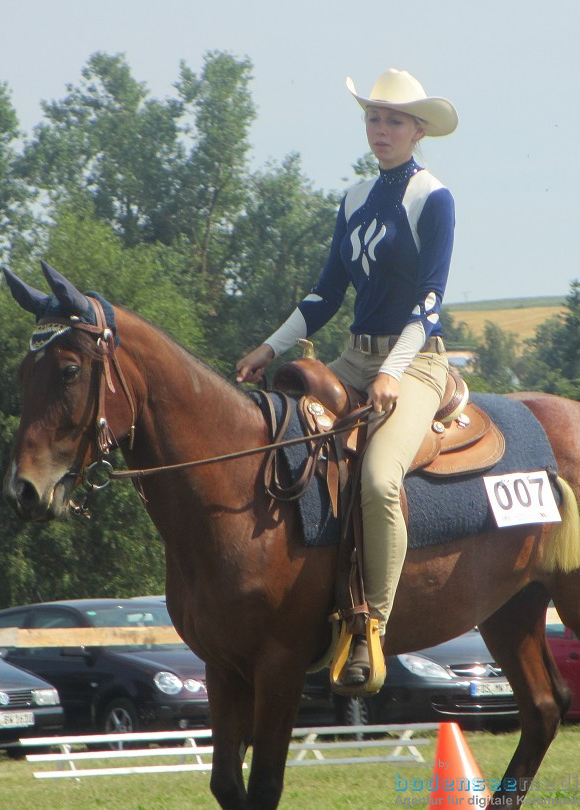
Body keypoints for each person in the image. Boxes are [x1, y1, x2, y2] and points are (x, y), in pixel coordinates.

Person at [236, 68, 458, 687]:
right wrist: (268, 347)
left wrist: (391, 373)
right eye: (373, 118)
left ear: (418, 130)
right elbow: (325, 293)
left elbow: (431, 303)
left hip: (415, 360)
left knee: (382, 479)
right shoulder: (355, 198)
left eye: (393, 120)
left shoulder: (433, 198)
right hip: (353, 357)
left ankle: (371, 629)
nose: (380, 130)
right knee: (280, 444)